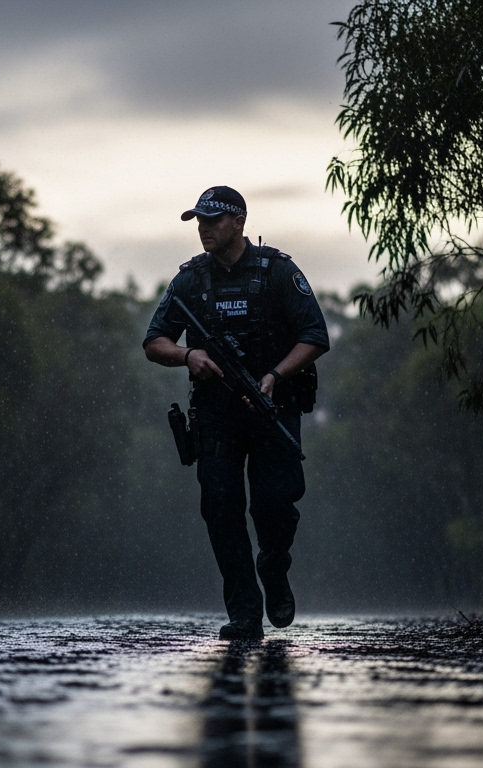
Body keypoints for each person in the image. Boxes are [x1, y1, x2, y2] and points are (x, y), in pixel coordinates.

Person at [143, 186, 330, 641]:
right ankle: (245, 613)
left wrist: (274, 376)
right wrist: (189, 356)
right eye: (199, 221)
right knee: (221, 512)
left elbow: (315, 336)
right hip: (216, 416)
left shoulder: (277, 272)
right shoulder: (189, 280)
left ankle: (273, 565)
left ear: (239, 222)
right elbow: (154, 342)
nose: (204, 228)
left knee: (274, 507)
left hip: (272, 408)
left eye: (213, 220)